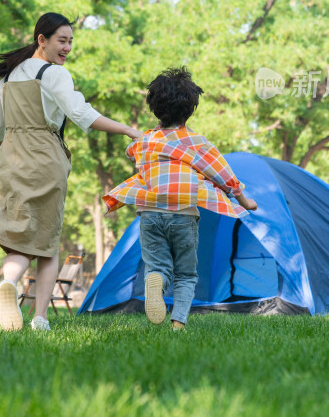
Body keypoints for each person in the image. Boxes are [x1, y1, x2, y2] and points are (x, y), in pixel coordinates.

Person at [0, 12, 142, 331]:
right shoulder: (54, 74)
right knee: (47, 239)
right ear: (42, 40)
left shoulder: (7, 78)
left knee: (18, 238)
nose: (67, 48)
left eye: (70, 42)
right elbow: (81, 113)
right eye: (62, 41)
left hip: (10, 159)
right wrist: (128, 130)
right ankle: (40, 318)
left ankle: (9, 282)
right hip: (45, 157)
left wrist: (12, 154)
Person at [103, 66, 257, 331]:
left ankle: (156, 280)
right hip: (183, 214)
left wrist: (149, 137)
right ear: (190, 109)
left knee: (157, 266)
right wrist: (244, 200)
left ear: (154, 107)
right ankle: (178, 325)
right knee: (186, 274)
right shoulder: (196, 142)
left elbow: (131, 151)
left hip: (149, 214)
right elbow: (222, 173)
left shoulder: (146, 141)